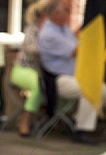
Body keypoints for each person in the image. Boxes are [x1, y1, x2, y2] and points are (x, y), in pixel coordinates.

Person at [38, 0, 106, 145]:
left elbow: (78, 41)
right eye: (66, 11)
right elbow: (79, 51)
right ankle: (83, 129)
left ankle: (78, 119)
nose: (69, 14)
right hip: (58, 81)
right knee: (91, 89)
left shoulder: (63, 29)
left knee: (100, 89)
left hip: (71, 77)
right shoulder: (49, 33)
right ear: (57, 14)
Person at [9, 0, 50, 136]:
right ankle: (24, 122)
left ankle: (30, 119)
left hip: (38, 72)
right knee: (37, 86)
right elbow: (32, 48)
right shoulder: (33, 29)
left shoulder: (48, 30)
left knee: (45, 86)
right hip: (22, 70)